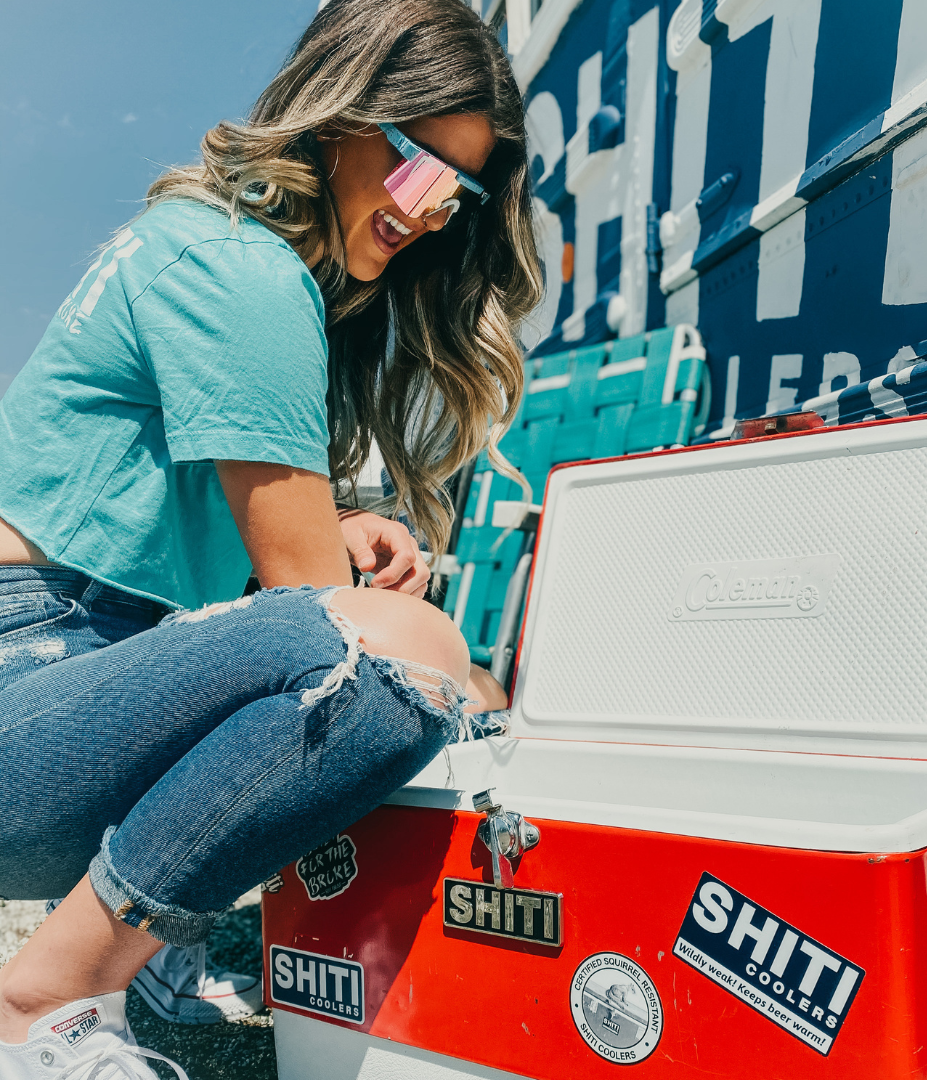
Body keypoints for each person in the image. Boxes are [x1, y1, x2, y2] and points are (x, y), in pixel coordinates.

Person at [0, 0, 541, 1075]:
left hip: (59, 660)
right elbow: (322, 623)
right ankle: (42, 1003)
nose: (433, 214)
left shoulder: (205, 243)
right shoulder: (245, 276)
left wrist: (339, 525)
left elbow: (166, 509)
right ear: (341, 117)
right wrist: (468, 685)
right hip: (31, 685)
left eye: (461, 196)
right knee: (407, 660)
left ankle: (154, 934)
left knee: (396, 649)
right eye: (418, 170)